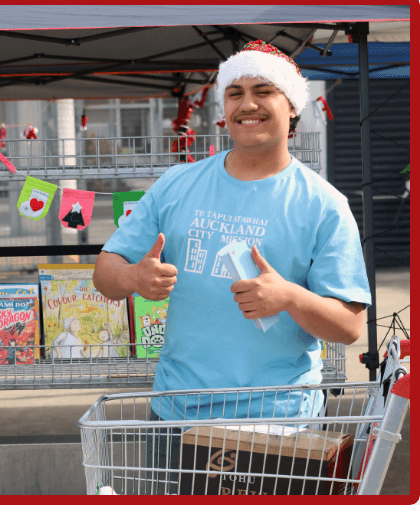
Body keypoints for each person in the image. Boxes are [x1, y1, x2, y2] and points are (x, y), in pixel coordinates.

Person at [93, 41, 371, 493]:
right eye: (235, 92)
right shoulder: (178, 183)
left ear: (292, 107)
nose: (248, 105)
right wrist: (133, 278)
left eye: (264, 90)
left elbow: (349, 326)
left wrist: (289, 297)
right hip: (177, 413)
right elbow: (105, 273)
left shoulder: (324, 205)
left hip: (281, 421)